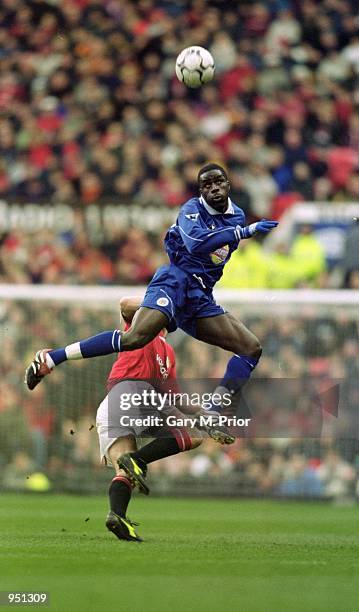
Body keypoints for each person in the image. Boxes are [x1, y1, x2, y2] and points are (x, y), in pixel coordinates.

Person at [26, 163, 278, 501]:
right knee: (134, 338)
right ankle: (52, 357)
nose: (214, 188)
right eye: (207, 184)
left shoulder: (236, 215)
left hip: (201, 297)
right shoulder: (193, 211)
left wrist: (240, 228)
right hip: (174, 282)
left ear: (229, 184)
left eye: (219, 181)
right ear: (199, 190)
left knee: (251, 347)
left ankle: (215, 413)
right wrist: (244, 232)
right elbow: (197, 244)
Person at [27, 296, 233, 542]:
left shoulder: (167, 352)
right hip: (128, 393)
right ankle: (136, 459)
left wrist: (204, 416)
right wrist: (161, 306)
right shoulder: (140, 329)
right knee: (190, 437)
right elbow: (125, 303)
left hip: (121, 404)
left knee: (125, 473)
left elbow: (176, 399)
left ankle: (117, 516)